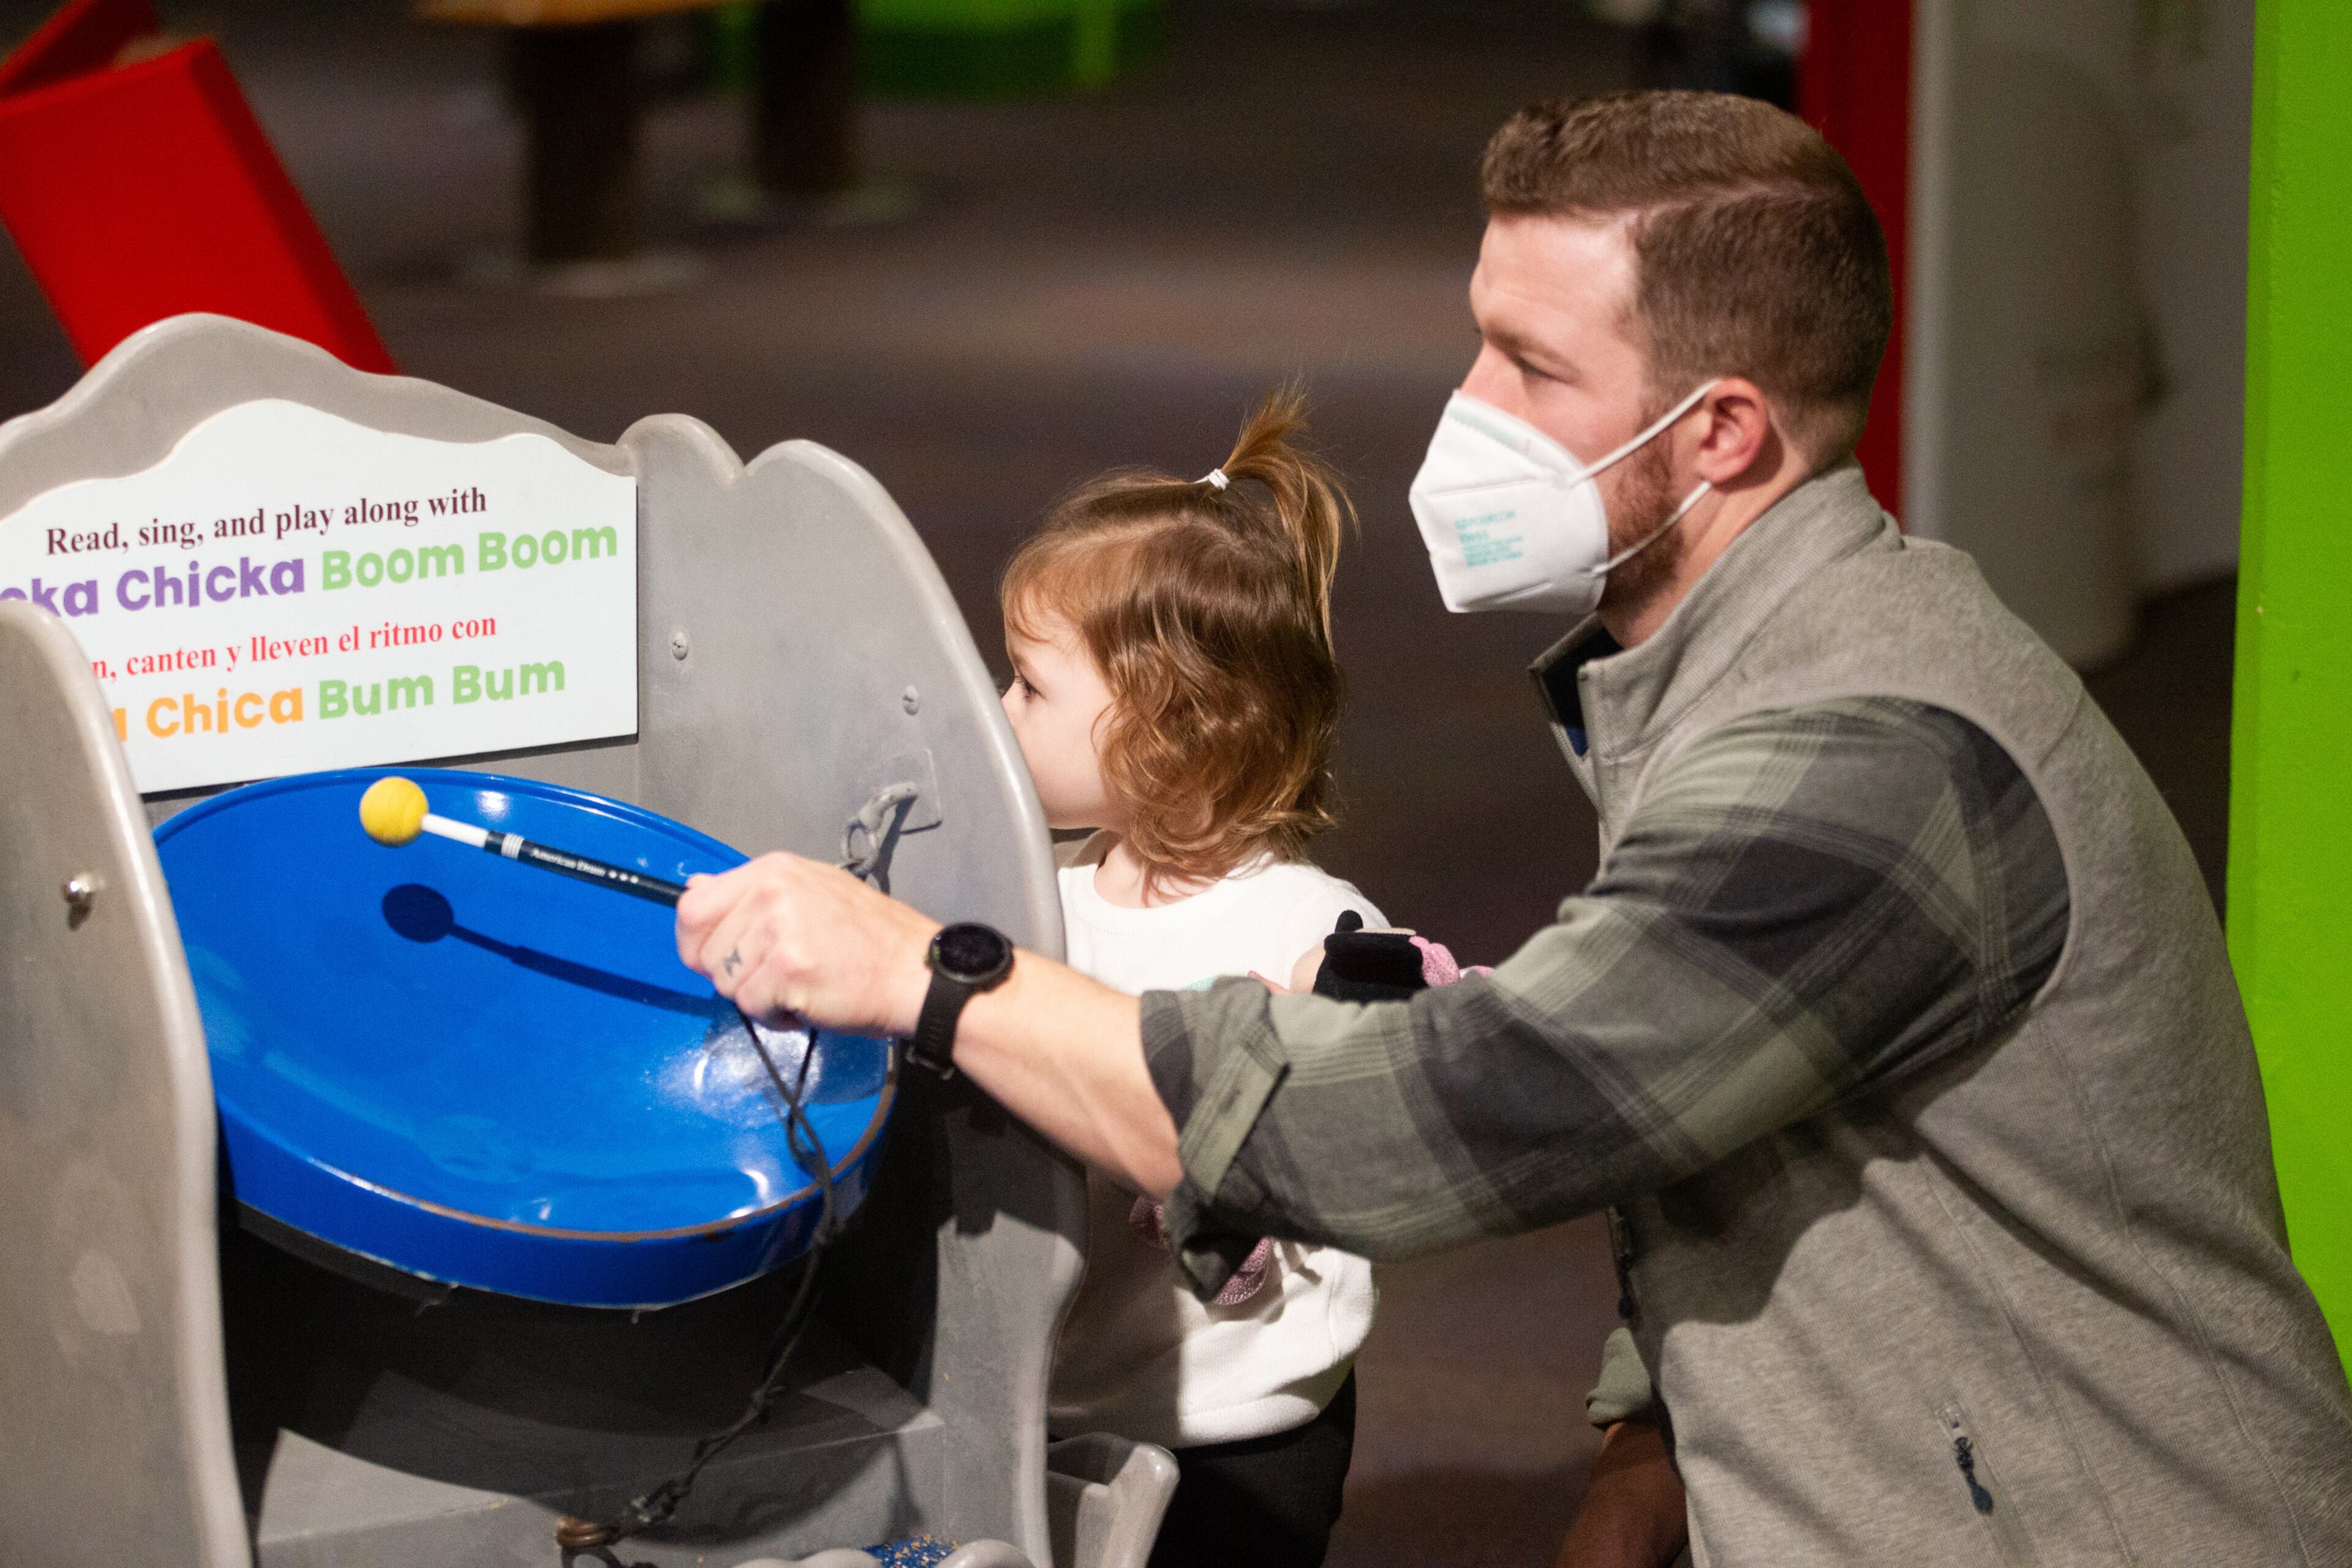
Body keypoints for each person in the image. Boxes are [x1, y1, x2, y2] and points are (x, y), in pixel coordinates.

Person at [677, 91, 2352, 1564]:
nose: (1464, 407)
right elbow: (1733, 1112)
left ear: (1721, 434)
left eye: (1533, 368)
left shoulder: (1873, 759)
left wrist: (937, 971)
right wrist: (1656, 1441)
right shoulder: (1721, 668)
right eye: (1481, 336)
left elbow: (1469, 1110)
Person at [1000, 388, 1382, 1568]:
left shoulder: (1314, 931)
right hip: (1058, 1400)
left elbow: (1375, 1149)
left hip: (1238, 1432)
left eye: (1028, 686)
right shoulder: (1032, 895)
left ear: (1169, 730)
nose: (996, 708)